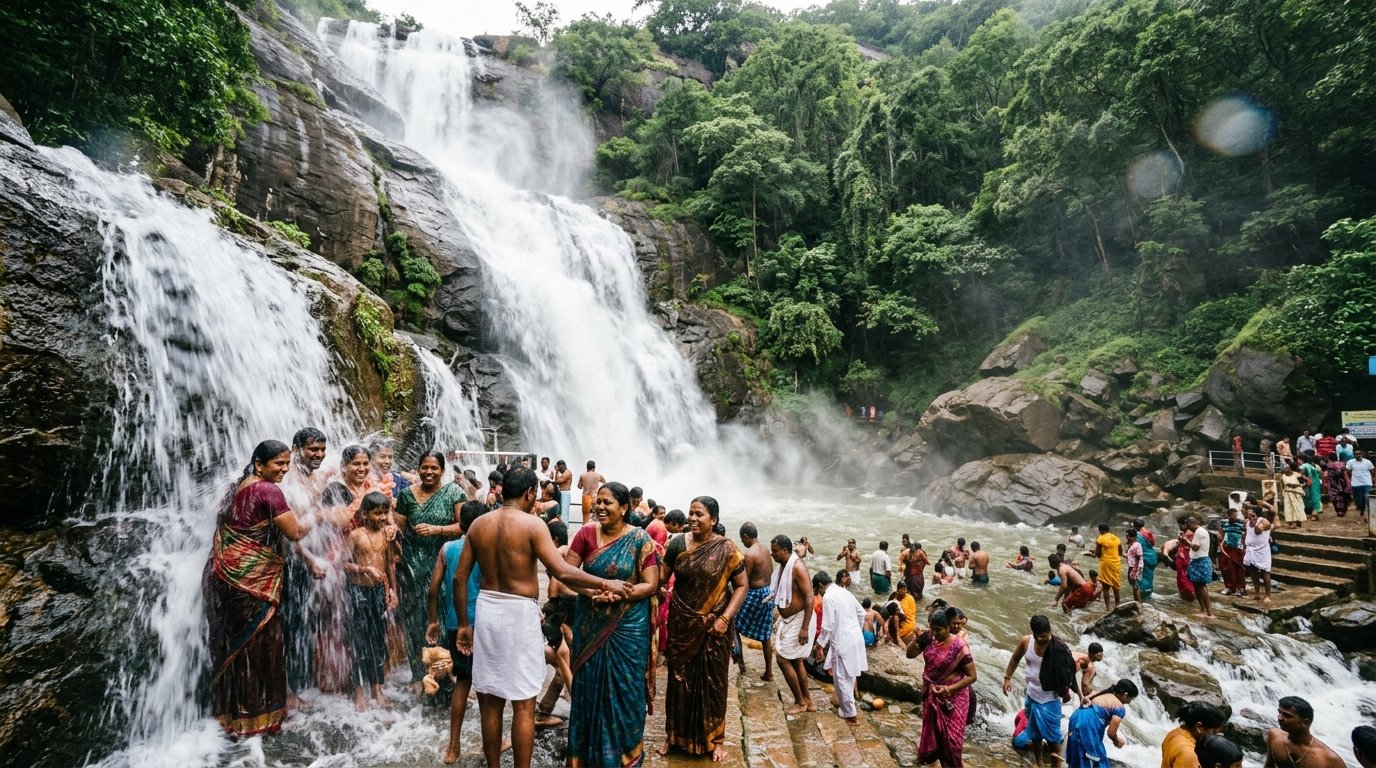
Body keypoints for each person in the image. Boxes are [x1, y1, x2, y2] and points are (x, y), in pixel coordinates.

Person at [453, 468, 631, 768]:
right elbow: (561, 571)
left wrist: (462, 625)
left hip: (486, 610)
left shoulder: (478, 524)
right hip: (519, 612)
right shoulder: (534, 525)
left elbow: (460, 578)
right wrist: (605, 583)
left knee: (490, 700)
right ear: (529, 493)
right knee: (524, 704)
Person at [205, 440, 310, 736]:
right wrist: (321, 516)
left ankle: (231, 716)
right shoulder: (267, 490)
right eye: (279, 464)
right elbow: (295, 532)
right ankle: (259, 719)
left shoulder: (235, 488)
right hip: (254, 586)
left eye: (288, 464)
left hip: (226, 579)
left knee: (237, 644)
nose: (285, 469)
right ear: (259, 464)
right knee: (263, 645)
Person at [565, 481, 660, 768]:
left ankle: (623, 756)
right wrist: (594, 592)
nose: (600, 507)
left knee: (626, 689)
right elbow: (567, 574)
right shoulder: (584, 534)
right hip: (590, 622)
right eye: (598, 501)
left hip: (627, 627)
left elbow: (651, 584)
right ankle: (585, 756)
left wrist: (619, 595)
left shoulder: (640, 539)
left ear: (624, 508)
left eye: (607, 503)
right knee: (587, 686)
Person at [659, 496, 748, 762]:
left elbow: (742, 586)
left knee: (713, 684)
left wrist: (725, 618)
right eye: (691, 513)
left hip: (714, 629)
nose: (693, 518)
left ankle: (715, 739)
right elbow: (661, 579)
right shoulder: (676, 544)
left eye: (699, 514)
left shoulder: (728, 549)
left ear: (714, 520)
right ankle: (674, 736)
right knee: (678, 683)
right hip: (682, 626)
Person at [424, 500, 488, 764]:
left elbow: (433, 587)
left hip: (454, 623)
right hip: (481, 623)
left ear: (460, 524)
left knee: (463, 681)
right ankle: (491, 743)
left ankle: (453, 747)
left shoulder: (448, 547)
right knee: (487, 685)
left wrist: (432, 621)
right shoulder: (487, 548)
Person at [394, 451, 466, 687]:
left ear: (442, 471)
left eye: (434, 468)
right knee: (414, 621)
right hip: (412, 567)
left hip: (442, 564)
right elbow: (399, 530)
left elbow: (463, 526)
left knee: (443, 620)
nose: (429, 472)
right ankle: (418, 676)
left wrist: (437, 530)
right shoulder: (406, 495)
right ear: (418, 468)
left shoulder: (453, 492)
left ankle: (446, 676)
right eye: (424, 467)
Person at [345, 492, 397, 711]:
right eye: (377, 513)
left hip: (378, 593)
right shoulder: (356, 535)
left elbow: (390, 563)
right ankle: (358, 692)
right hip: (357, 592)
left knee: (378, 640)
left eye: (385, 513)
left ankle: (377, 688)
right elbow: (344, 565)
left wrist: (393, 590)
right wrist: (363, 569)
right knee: (359, 642)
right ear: (365, 515)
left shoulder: (387, 534)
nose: (383, 517)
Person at [1004, 615, 1078, 767]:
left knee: (1053, 737)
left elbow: (1069, 670)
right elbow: (1015, 658)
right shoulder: (1026, 642)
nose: (1045, 639)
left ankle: (1056, 766)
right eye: (1041, 636)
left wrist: (1072, 693)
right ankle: (1038, 763)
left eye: (1047, 635)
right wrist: (1007, 678)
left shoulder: (1058, 646)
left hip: (1049, 699)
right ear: (1034, 633)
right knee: (1035, 732)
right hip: (1031, 694)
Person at [911, 608, 977, 767]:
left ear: (948, 628)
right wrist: (916, 640)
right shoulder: (928, 637)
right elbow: (910, 654)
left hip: (955, 697)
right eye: (931, 628)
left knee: (952, 739)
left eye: (938, 630)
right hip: (932, 692)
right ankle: (934, 760)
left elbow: (972, 676)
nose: (934, 633)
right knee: (934, 732)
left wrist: (949, 689)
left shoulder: (959, 646)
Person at [813, 570, 868, 724]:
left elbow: (828, 626)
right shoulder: (845, 592)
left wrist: (819, 645)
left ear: (820, 586)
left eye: (817, 591)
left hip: (843, 640)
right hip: (855, 637)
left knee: (841, 678)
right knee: (850, 675)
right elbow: (861, 613)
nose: (819, 595)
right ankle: (846, 708)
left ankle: (851, 715)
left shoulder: (829, 597)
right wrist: (854, 629)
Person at [771, 533, 816, 716]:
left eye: (775, 551)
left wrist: (805, 628)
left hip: (800, 619)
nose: (772, 555)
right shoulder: (783, 566)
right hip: (789, 619)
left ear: (785, 550)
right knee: (797, 661)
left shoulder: (797, 567)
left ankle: (799, 702)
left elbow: (810, 597)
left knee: (782, 659)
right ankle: (808, 700)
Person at [1064, 679, 1138, 768]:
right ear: (1125, 694)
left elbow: (1085, 700)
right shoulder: (1119, 707)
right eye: (1130, 699)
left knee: (1078, 754)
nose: (1129, 702)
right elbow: (1111, 733)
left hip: (1077, 716)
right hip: (1089, 724)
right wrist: (1117, 741)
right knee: (1095, 758)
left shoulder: (1103, 694)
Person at [735, 522, 776, 681]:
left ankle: (741, 665)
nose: (743, 543)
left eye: (742, 539)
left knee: (734, 625)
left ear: (745, 537)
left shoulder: (750, 554)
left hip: (756, 593)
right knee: (765, 635)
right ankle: (769, 673)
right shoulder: (765, 549)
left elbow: (745, 581)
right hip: (769, 592)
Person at [1264, 696, 1346, 767]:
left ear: (1305, 723)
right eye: (1279, 712)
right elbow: (1269, 765)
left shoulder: (1330, 760)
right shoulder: (1274, 736)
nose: (1280, 718)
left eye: (1287, 715)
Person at [1160, 700, 1228, 767]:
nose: (1216, 736)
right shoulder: (1189, 754)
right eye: (1214, 732)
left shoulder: (1174, 733)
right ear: (1199, 727)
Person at [1182, 517, 1215, 618]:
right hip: (1197, 560)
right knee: (1196, 585)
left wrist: (1186, 541)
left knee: (1201, 586)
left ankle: (1209, 613)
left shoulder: (1199, 532)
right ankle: (1202, 610)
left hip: (1201, 560)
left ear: (1192, 523)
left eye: (1188, 526)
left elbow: (1195, 547)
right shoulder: (1199, 531)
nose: (1188, 528)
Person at [1243, 505, 1274, 603]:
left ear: (1256, 513)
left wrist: (1254, 521)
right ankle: (1257, 593)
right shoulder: (1247, 523)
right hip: (1251, 550)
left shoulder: (1264, 521)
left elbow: (1257, 532)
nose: (1249, 515)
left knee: (1265, 572)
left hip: (1262, 550)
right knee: (1253, 572)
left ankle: (1267, 595)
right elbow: (1247, 534)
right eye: (1248, 514)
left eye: (1251, 513)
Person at [1091, 523, 1122, 610]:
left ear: (1100, 530)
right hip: (1116, 564)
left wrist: (1093, 554)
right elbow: (1120, 552)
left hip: (1106, 564)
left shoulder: (1101, 538)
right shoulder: (1116, 538)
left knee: (1106, 587)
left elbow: (1097, 554)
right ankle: (1118, 606)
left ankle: (1108, 608)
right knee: (1116, 586)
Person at [1219, 506, 1246, 597]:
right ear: (1228, 516)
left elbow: (1245, 535)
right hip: (1227, 549)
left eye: (1236, 514)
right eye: (1233, 515)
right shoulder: (1224, 524)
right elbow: (1222, 533)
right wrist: (1221, 543)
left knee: (1239, 568)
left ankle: (1240, 588)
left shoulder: (1241, 524)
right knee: (1227, 568)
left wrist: (1243, 547)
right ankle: (1229, 587)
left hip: (1238, 549)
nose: (1235, 516)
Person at [1281, 460, 1309, 528]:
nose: (1285, 469)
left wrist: (1302, 485)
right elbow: (1281, 486)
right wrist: (1282, 494)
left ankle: (1298, 521)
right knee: (1288, 508)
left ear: (1290, 468)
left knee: (1298, 507)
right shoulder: (1282, 476)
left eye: (1286, 467)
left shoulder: (1297, 474)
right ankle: (1290, 524)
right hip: (1287, 494)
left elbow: (1307, 480)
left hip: (1296, 494)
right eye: (1284, 467)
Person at [576, 460, 604, 526]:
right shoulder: (598, 475)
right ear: (594, 467)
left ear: (587, 467)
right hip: (595, 497)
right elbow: (604, 482)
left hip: (586, 498)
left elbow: (579, 486)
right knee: (596, 517)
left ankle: (585, 532)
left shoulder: (583, 475)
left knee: (585, 518)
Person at [1349, 449, 1374, 521]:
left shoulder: (1367, 462)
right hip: (1355, 483)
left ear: (1362, 454)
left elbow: (1372, 470)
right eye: (1356, 454)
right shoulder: (1350, 462)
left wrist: (1372, 479)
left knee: (1366, 497)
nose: (1358, 455)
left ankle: (1366, 514)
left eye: (1359, 453)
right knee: (1358, 500)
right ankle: (1361, 510)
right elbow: (1348, 471)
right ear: (1354, 455)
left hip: (1367, 482)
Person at [1326, 452, 1353, 517]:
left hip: (1334, 483)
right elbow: (1344, 472)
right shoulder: (1342, 464)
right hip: (1343, 482)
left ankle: (1339, 510)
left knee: (1335, 497)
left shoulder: (1329, 465)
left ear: (1329, 458)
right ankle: (1343, 510)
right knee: (1343, 496)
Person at [1301, 454, 1324, 521]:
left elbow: (1309, 476)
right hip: (1316, 484)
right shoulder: (1312, 466)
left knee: (1311, 498)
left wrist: (1306, 484)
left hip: (1311, 485)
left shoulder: (1304, 466)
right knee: (1315, 498)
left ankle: (1314, 514)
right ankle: (1315, 513)